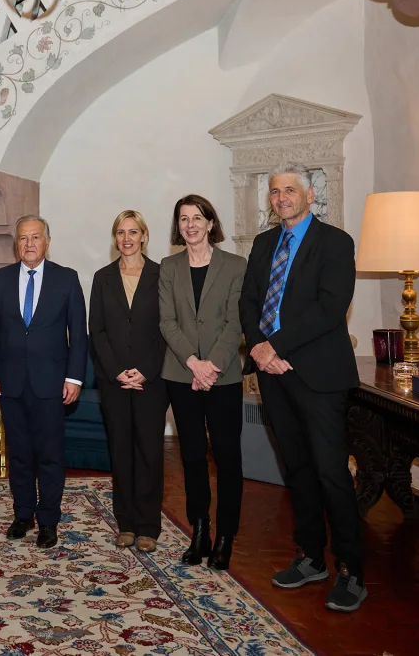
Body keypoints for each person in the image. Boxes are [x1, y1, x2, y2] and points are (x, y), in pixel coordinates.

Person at [239, 163, 365, 612]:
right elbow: (250, 299)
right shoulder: (263, 243)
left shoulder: (336, 242)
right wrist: (257, 348)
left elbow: (330, 307)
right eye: (275, 192)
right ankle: (311, 556)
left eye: (290, 190)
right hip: (273, 375)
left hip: (319, 376)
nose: (282, 197)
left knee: (332, 473)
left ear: (310, 196)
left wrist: (273, 344)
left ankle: (351, 570)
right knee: (296, 470)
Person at [0, 215, 87, 549]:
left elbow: (78, 334)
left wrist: (74, 377)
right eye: (23, 238)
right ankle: (23, 514)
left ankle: (49, 521)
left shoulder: (67, 280)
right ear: (17, 243)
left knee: (51, 455)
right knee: (21, 455)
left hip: (51, 383)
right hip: (10, 383)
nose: (29, 244)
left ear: (47, 241)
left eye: (35, 238)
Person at [158, 194, 247, 571]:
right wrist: (194, 364)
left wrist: (212, 366)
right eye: (183, 219)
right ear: (177, 226)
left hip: (223, 377)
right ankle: (200, 530)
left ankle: (226, 536)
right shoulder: (168, 266)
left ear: (211, 223)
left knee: (227, 457)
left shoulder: (235, 266)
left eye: (197, 218)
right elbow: (167, 321)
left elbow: (236, 322)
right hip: (181, 375)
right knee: (192, 456)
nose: (190, 225)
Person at [89, 210, 168, 553]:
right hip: (114, 381)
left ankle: (148, 526)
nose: (127, 238)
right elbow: (98, 330)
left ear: (144, 236)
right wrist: (118, 370)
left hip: (152, 381)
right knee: (121, 452)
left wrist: (146, 371)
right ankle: (125, 524)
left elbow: (169, 328)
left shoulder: (162, 275)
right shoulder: (103, 277)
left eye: (133, 231)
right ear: (115, 238)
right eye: (120, 232)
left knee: (149, 452)